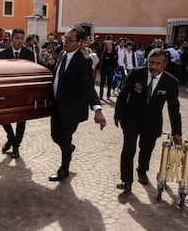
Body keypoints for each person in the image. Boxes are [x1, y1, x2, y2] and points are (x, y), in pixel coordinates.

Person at [114, 48, 182, 192]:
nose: (154, 66)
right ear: (147, 61)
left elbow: (174, 109)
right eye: (151, 62)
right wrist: (118, 114)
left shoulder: (171, 82)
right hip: (131, 119)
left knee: (146, 150)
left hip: (152, 122)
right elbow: (123, 94)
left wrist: (177, 132)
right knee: (128, 149)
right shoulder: (136, 73)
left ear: (164, 65)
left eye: (158, 64)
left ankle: (142, 170)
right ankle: (126, 180)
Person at [48, 25, 106, 182]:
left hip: (72, 108)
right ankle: (69, 149)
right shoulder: (61, 54)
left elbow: (88, 86)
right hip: (57, 105)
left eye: (69, 40)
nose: (65, 42)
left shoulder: (84, 62)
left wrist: (97, 109)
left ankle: (64, 169)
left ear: (80, 43)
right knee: (55, 136)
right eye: (64, 38)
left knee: (65, 138)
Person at [0, 28, 35, 158]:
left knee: (21, 121)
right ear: (12, 39)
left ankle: (15, 145)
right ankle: (11, 137)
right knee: (3, 117)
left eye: (21, 38)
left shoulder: (29, 54)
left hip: (23, 93)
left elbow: (32, 73)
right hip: (7, 93)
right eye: (17, 38)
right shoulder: (3, 54)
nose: (19, 41)